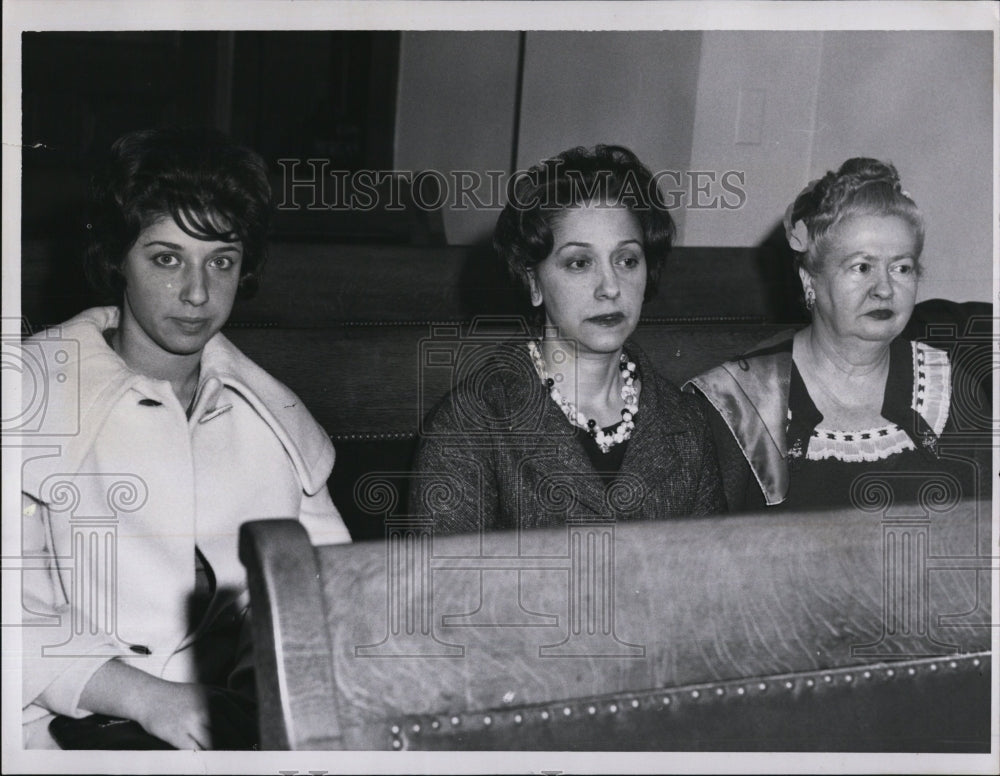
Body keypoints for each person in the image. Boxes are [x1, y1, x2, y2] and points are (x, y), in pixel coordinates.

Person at [19, 127, 351, 750]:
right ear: (118, 256)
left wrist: (260, 693)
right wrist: (147, 699)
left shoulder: (272, 414)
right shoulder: (26, 396)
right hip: (61, 733)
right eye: (166, 258)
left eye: (220, 260)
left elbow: (316, 590)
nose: (197, 293)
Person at [411, 145, 725, 533]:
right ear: (533, 282)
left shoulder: (686, 422)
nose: (610, 287)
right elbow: (442, 590)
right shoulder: (470, 424)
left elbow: (712, 583)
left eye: (627, 260)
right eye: (579, 263)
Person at [685, 157, 992, 511]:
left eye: (902, 268)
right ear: (809, 278)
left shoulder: (951, 387)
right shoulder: (736, 401)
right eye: (861, 267)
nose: (884, 289)